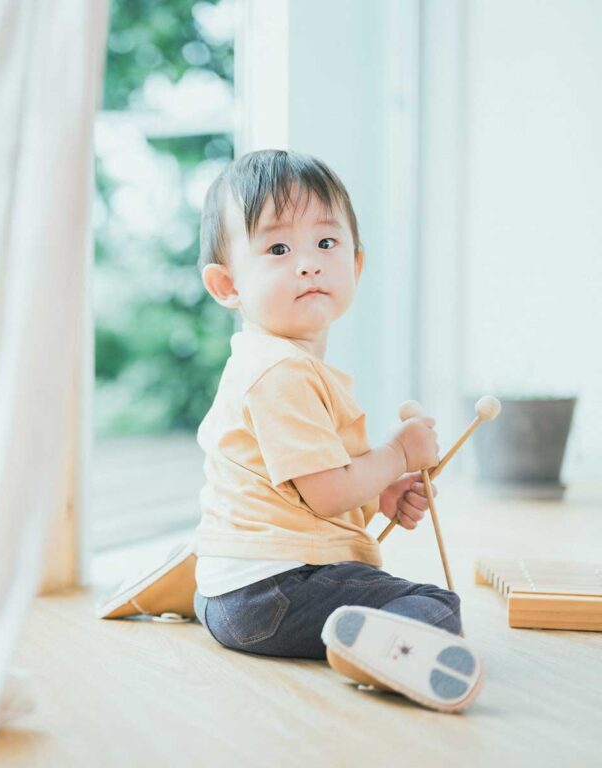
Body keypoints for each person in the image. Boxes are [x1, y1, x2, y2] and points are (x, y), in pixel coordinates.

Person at [189, 149, 484, 713]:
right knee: (437, 605)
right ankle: (363, 652)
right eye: (278, 249)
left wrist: (377, 493)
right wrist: (398, 453)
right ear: (227, 284)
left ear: (356, 264)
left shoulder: (274, 362)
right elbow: (325, 492)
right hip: (269, 593)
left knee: (392, 593)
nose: (308, 264)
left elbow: (304, 492)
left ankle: (354, 639)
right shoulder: (280, 372)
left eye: (326, 244)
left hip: (236, 594)